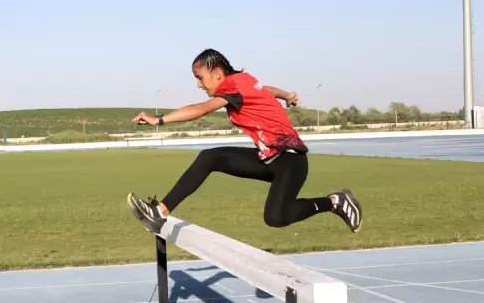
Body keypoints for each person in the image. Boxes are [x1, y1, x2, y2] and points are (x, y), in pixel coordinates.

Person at [126, 49, 361, 235]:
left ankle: (335, 201)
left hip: (290, 160)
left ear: (217, 73)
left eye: (200, 78)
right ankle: (160, 212)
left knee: (276, 218)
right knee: (210, 157)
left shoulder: (232, 87)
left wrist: (159, 119)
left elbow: (202, 109)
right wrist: (287, 95)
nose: (199, 84)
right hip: (269, 158)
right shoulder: (244, 81)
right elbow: (267, 90)